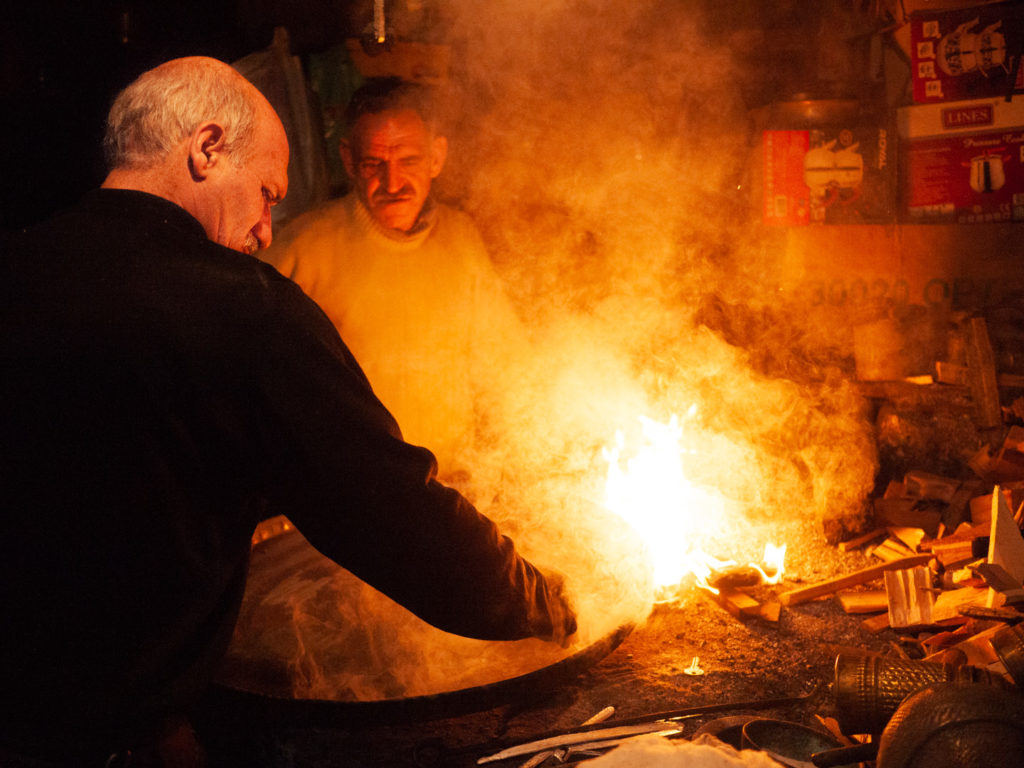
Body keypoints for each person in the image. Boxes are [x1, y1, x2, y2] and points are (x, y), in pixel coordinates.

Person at [0, 56, 575, 768]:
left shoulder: (17, 266)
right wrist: (544, 605)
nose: (267, 230)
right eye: (268, 194)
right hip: (118, 742)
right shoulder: (246, 310)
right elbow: (386, 508)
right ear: (207, 149)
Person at [261, 77, 529, 479]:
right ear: (349, 160)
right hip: (348, 490)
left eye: (409, 161)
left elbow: (508, 369)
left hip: (451, 489)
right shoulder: (303, 249)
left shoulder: (461, 239)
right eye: (374, 165)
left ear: (437, 157)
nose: (393, 183)